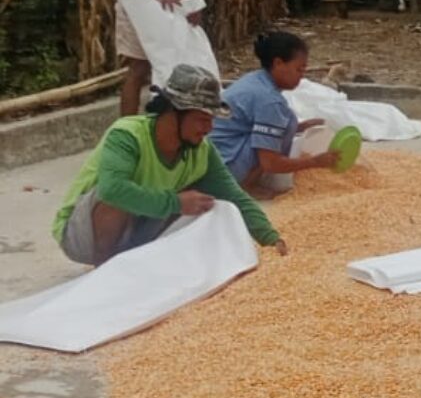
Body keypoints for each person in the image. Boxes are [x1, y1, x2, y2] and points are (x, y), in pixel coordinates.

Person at [53, 64, 287, 266]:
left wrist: (270, 237)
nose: (208, 129)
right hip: (82, 235)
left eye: (211, 121)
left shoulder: (201, 150)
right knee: (119, 194)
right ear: (174, 113)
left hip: (136, 229)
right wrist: (176, 203)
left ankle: (137, 264)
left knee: (202, 200)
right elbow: (112, 190)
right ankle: (104, 269)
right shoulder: (127, 135)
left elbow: (234, 195)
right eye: (202, 119)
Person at [209, 30, 337, 194]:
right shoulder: (269, 99)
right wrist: (314, 162)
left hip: (214, 156)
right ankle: (243, 187)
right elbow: (271, 163)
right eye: (299, 69)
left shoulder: (255, 79)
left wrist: (298, 127)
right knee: (276, 132)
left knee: (282, 124)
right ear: (278, 63)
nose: (302, 76)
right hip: (224, 164)